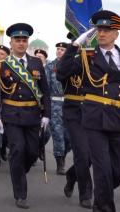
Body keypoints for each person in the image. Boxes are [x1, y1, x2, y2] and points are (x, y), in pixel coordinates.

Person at [58, 10, 120, 212]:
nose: (102, 33)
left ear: (116, 34)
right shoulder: (88, 57)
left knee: (118, 173)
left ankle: (100, 198)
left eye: (107, 30)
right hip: (94, 119)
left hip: (119, 120)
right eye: (99, 30)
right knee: (102, 168)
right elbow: (62, 73)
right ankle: (103, 207)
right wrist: (74, 46)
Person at [0, 23, 51, 209]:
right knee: (18, 150)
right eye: (17, 40)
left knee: (32, 152)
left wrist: (46, 114)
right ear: (11, 42)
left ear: (27, 43)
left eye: (24, 40)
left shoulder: (36, 63)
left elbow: (45, 91)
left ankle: (18, 170)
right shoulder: (2, 65)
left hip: (33, 115)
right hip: (12, 115)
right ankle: (20, 194)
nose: (21, 43)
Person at [56, 32, 93, 209]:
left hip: (96, 112)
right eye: (81, 40)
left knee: (92, 155)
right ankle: (86, 194)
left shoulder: (98, 59)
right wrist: (73, 49)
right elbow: (61, 73)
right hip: (75, 112)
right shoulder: (70, 60)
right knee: (82, 154)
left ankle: (72, 175)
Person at [45, 42, 71, 175]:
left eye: (62, 49)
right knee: (58, 135)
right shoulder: (50, 66)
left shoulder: (72, 65)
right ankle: (60, 163)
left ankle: (63, 154)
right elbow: (46, 87)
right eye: (58, 49)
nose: (59, 51)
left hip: (70, 105)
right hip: (55, 105)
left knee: (69, 137)